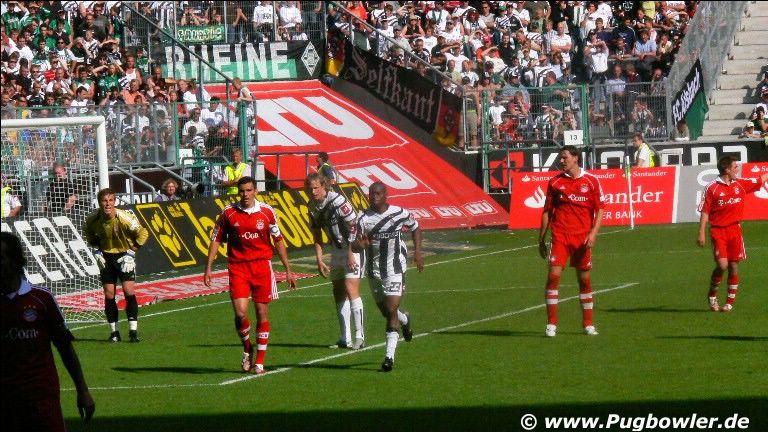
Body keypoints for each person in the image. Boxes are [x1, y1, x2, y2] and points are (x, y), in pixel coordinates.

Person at [1, 232, 95, 431]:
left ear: (14, 260)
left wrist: (83, 390)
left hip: (42, 396)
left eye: (1, 258)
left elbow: (65, 348)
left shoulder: (42, 300)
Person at [204, 176, 297, 374]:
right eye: (242, 191)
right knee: (240, 313)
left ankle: (260, 363)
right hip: (238, 267)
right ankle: (247, 348)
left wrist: (288, 269)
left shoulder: (267, 212)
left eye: (249, 190)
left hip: (262, 267)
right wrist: (209, 267)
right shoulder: (228, 212)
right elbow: (216, 239)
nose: (245, 194)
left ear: (255, 191)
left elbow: (278, 240)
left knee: (262, 313)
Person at [352, 182, 423, 372]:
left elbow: (415, 227)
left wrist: (418, 252)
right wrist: (360, 245)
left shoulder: (399, 213)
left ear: (385, 195)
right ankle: (405, 319)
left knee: (391, 309)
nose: (373, 196)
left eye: (377, 193)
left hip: (395, 268)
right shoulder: (362, 218)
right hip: (374, 271)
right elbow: (354, 245)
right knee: (387, 312)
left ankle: (389, 357)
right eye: (371, 193)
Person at [538, 145, 605, 337]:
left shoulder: (591, 181)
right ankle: (551, 324)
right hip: (560, 235)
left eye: (564, 157)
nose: (561, 161)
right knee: (553, 276)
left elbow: (600, 209)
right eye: (560, 158)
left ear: (575, 158)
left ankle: (588, 324)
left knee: (584, 280)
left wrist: (593, 233)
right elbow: (547, 211)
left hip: (582, 238)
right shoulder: (555, 182)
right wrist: (541, 239)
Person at [697, 156, 768, 313]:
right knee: (722, 265)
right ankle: (712, 295)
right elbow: (705, 212)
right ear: (727, 170)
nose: (738, 169)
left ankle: (729, 303)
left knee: (734, 266)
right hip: (718, 231)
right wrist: (701, 232)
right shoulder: (712, 188)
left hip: (735, 230)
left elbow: (759, 180)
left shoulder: (740, 184)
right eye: (735, 167)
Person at [305, 173, 365, 350]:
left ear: (324, 186)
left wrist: (351, 252)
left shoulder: (337, 201)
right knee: (338, 290)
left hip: (352, 248)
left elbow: (354, 225)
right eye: (310, 188)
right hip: (335, 250)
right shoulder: (311, 206)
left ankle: (360, 336)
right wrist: (319, 259)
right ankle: (345, 337)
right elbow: (317, 235)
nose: (313, 192)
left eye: (316, 188)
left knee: (351, 288)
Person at [84, 188, 149, 343]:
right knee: (109, 295)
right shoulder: (92, 219)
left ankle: (133, 332)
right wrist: (97, 250)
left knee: (128, 290)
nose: (108, 204)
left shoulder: (124, 217)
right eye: (104, 201)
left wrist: (131, 253)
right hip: (106, 257)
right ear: (99, 202)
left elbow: (143, 233)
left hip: (124, 255)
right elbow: (89, 234)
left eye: (111, 200)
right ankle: (114, 333)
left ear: (115, 202)